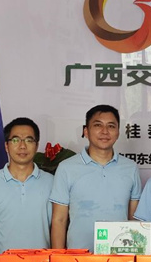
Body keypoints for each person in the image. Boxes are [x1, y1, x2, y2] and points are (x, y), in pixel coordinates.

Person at [50, 104, 141, 250]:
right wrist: (58, 258)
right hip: (79, 256)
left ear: (118, 132)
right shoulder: (67, 168)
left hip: (120, 255)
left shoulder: (130, 168)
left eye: (111, 126)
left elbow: (134, 220)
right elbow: (59, 220)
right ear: (86, 131)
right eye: (98, 125)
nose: (105, 131)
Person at [0, 117, 53, 254]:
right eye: (16, 140)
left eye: (29, 140)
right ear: (6, 146)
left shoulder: (51, 182)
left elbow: (58, 225)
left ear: (36, 146)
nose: (22, 146)